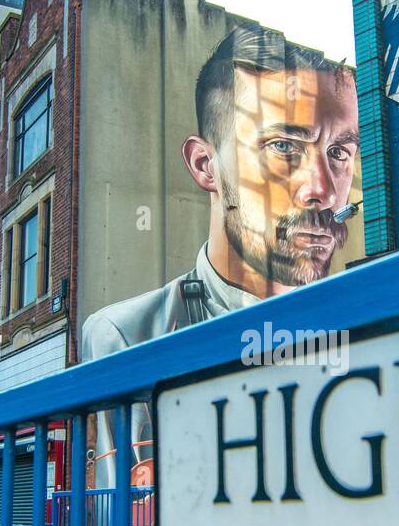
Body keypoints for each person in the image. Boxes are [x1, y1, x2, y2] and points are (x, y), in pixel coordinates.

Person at [81, 26, 360, 486]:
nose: (324, 191)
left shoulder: (368, 325)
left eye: (339, 152)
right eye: (284, 148)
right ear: (205, 166)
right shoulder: (128, 336)